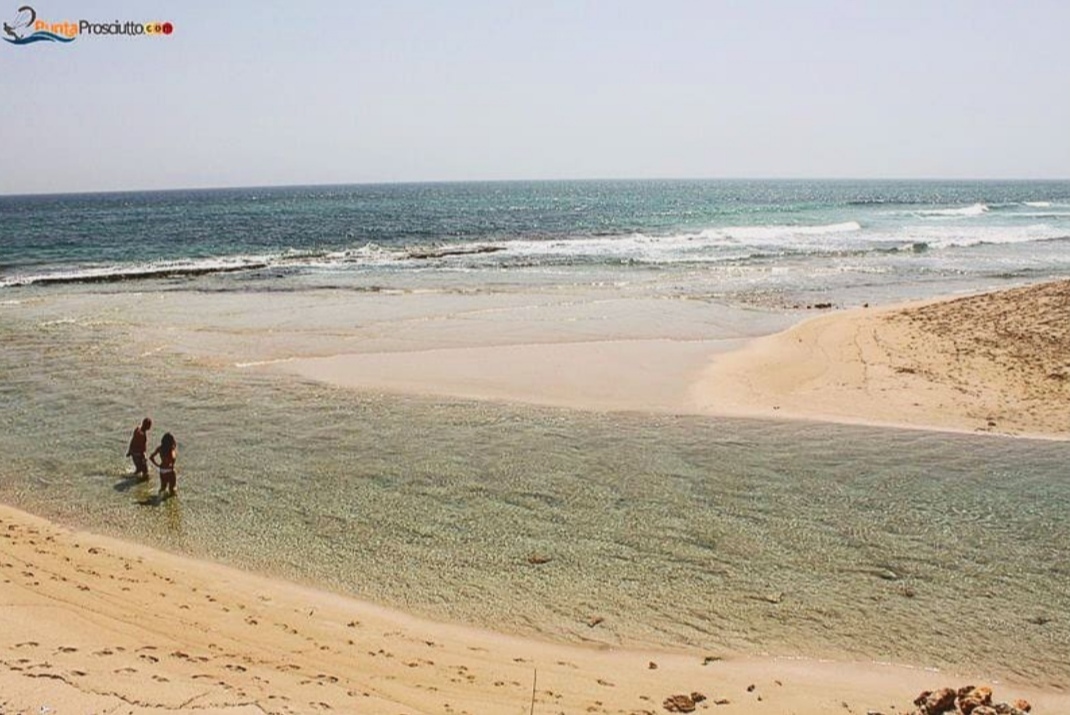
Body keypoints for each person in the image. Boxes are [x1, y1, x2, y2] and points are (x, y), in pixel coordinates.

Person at [149, 432, 178, 497]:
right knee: (172, 489)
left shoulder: (160, 448)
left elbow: (151, 457)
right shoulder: (171, 450)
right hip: (170, 471)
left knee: (163, 487)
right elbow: (173, 458)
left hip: (162, 470)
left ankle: (159, 497)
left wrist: (157, 465)